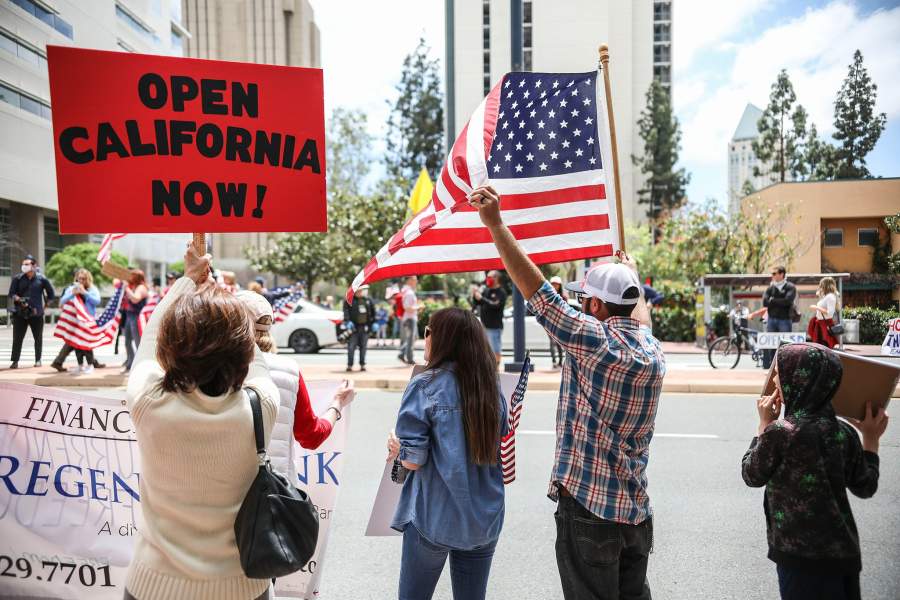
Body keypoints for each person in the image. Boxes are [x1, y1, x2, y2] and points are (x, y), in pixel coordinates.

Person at [469, 185, 664, 600]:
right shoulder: (652, 351)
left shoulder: (594, 343)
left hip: (591, 511)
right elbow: (639, 318)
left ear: (595, 307)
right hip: (635, 511)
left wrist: (497, 225)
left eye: (584, 300)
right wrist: (631, 273)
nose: (578, 305)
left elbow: (537, 292)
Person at [123, 245, 280, 600]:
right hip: (244, 587)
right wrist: (227, 304)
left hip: (154, 586)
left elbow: (150, 337)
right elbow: (255, 360)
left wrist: (188, 281)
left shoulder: (149, 403)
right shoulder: (261, 406)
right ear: (242, 347)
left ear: (171, 347)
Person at [741, 343, 885, 600]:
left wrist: (763, 424)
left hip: (799, 559)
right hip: (844, 554)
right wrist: (871, 440)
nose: (774, 378)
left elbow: (752, 474)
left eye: (780, 373)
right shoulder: (844, 433)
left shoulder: (781, 433)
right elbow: (865, 486)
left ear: (800, 381)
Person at [386, 307, 507, 600]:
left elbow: (413, 460)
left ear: (443, 339)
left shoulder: (426, 385)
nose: (424, 337)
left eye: (428, 331)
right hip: (485, 517)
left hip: (434, 517)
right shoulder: (491, 386)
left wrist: (396, 448)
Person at [235, 290, 355, 482]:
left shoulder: (215, 368)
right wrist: (337, 403)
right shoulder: (289, 370)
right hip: (276, 488)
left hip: (225, 490)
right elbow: (311, 436)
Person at [51, 268, 105, 373]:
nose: (81, 281)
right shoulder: (71, 288)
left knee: (86, 343)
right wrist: (73, 293)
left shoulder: (92, 289)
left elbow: (97, 301)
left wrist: (85, 293)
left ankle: (90, 365)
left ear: (87, 279)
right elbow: (62, 300)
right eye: (79, 278)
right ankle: (80, 365)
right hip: (74, 321)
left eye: (83, 279)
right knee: (76, 344)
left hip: (87, 321)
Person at [8, 255, 55, 369]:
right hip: (20, 313)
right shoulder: (17, 278)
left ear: (34, 266)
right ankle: (15, 361)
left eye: (27, 264)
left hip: (36, 313)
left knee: (38, 338)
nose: (24, 266)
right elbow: (11, 293)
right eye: (23, 264)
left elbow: (51, 294)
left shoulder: (42, 279)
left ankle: (38, 360)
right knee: (17, 338)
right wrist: (18, 299)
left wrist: (46, 305)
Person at [761, 266, 797, 369]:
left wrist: (772, 300)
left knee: (785, 345)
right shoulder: (770, 288)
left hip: (785, 320)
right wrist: (779, 300)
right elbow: (765, 302)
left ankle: (785, 367)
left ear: (782, 274)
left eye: (774, 273)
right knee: (771, 345)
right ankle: (772, 367)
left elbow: (788, 301)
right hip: (771, 320)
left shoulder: (790, 286)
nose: (772, 275)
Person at [471, 270, 507, 366]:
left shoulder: (501, 292)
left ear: (497, 278)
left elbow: (495, 305)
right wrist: (475, 295)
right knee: (485, 350)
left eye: (490, 277)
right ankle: (489, 368)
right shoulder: (486, 290)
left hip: (494, 326)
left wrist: (481, 298)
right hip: (484, 325)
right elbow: (477, 303)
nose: (488, 279)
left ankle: (496, 369)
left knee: (495, 349)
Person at [121, 270, 149, 373]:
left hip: (137, 317)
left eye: (132, 275)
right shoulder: (134, 286)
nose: (130, 277)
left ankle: (140, 365)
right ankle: (130, 363)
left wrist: (127, 289)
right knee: (127, 341)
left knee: (138, 342)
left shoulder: (141, 288)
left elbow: (135, 299)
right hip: (129, 315)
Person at [343, 284, 376, 372]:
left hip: (364, 327)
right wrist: (347, 321)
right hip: (353, 328)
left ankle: (362, 365)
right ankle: (350, 365)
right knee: (351, 347)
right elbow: (345, 311)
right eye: (358, 290)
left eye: (361, 290)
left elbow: (373, 313)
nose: (360, 292)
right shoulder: (349, 300)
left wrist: (373, 323)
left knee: (363, 347)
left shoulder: (368, 300)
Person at [807, 276, 839, 349]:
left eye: (821, 285)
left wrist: (816, 307)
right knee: (820, 345)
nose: (820, 287)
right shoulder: (827, 296)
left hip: (825, 323)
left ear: (824, 285)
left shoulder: (830, 296)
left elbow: (829, 313)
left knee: (825, 345)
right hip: (821, 323)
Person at [398, 276, 421, 365]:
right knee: (411, 339)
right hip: (410, 319)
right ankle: (409, 358)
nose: (416, 281)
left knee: (414, 338)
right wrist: (418, 307)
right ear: (410, 280)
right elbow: (407, 308)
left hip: (409, 318)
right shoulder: (409, 293)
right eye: (415, 279)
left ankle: (402, 353)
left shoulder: (406, 291)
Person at [548, 276, 568, 368]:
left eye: (556, 284)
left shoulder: (563, 297)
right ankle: (553, 361)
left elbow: (565, 310)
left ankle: (560, 361)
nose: (555, 286)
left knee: (559, 343)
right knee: (552, 342)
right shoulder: (548, 296)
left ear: (560, 286)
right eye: (553, 284)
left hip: (560, 323)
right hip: (549, 322)